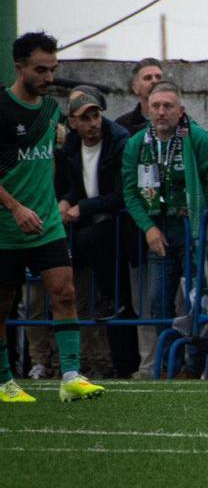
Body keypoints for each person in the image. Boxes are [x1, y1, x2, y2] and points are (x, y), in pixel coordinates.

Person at [0, 32, 105, 402]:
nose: (48, 78)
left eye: (52, 69)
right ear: (20, 68)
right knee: (3, 303)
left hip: (46, 225)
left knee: (64, 291)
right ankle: (3, 382)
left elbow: (61, 165)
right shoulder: (1, 107)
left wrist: (64, 199)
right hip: (6, 228)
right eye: (40, 70)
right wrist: (14, 206)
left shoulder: (50, 113)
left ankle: (72, 377)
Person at [121, 80, 208, 379]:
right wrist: (148, 228)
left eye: (168, 106)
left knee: (198, 299)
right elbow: (130, 192)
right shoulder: (137, 143)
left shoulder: (199, 139)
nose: (162, 112)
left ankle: (193, 365)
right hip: (159, 230)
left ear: (181, 110)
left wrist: (201, 211)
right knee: (157, 301)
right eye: (156, 106)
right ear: (147, 109)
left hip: (193, 228)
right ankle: (170, 364)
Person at [55, 87, 133, 378]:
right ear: (72, 122)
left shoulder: (119, 140)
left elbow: (120, 194)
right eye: (84, 118)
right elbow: (74, 184)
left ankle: (123, 362)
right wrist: (66, 200)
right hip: (88, 226)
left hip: (116, 225)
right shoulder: (72, 145)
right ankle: (76, 360)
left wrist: (82, 207)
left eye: (95, 115)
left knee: (119, 296)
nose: (92, 123)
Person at [114, 57, 164, 135]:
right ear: (135, 87)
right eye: (147, 78)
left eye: (158, 77)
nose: (154, 81)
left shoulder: (179, 122)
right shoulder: (122, 126)